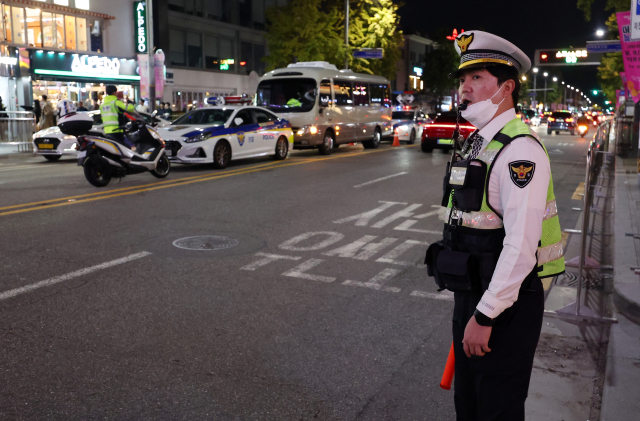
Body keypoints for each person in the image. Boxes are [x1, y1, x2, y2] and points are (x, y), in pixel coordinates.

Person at [427, 31, 565, 420]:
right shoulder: (481, 141)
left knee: (496, 410)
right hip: (473, 294)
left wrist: (485, 316)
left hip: (505, 305)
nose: (464, 88)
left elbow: (521, 246)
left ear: (506, 87)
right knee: (469, 406)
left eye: (476, 78)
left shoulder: (520, 150)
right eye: (462, 79)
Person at [100, 85, 137, 150]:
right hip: (116, 130)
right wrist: (131, 104)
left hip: (106, 131)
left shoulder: (103, 105)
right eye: (116, 92)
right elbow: (129, 109)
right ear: (114, 92)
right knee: (126, 148)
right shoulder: (116, 102)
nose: (116, 93)